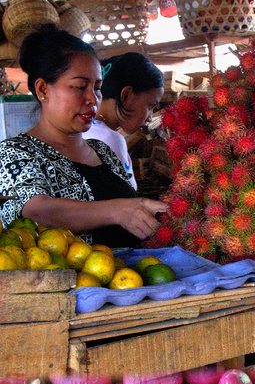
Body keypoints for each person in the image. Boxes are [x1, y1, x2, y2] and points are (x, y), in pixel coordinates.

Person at [0, 25, 166, 246]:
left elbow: (131, 215)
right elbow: (35, 213)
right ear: (43, 90)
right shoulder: (14, 153)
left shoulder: (103, 152)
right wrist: (117, 210)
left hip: (133, 278)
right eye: (80, 87)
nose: (93, 99)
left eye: (97, 87)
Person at [83, 51, 163, 191]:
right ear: (126, 95)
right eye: (150, 106)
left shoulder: (81, 130)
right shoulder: (110, 139)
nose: (150, 117)